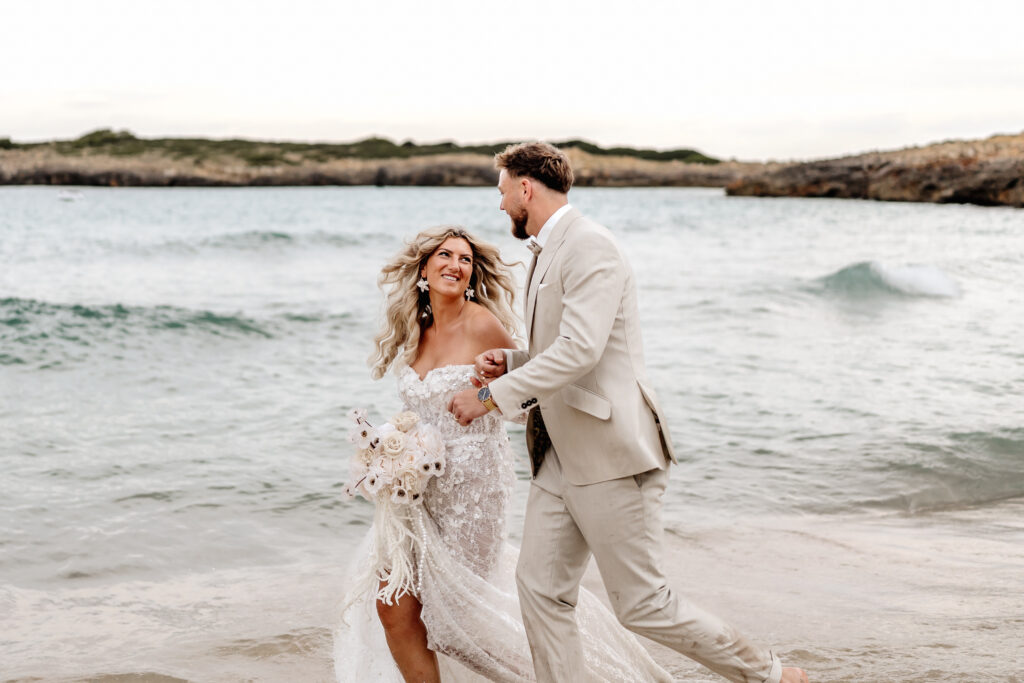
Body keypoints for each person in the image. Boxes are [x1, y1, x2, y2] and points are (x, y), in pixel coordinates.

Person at [449, 142, 809, 683]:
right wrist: (512, 361)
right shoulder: (548, 252)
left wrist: (485, 400)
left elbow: (581, 350)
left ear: (526, 188)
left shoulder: (591, 246)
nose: (500, 206)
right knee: (540, 589)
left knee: (643, 604)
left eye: (502, 192)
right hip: (558, 460)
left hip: (611, 455)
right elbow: (563, 349)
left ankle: (773, 675)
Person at [334, 226, 673, 682]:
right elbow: (420, 408)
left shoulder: (482, 323)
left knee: (457, 623)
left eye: (466, 260)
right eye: (446, 255)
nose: (456, 265)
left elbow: (534, 393)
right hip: (417, 495)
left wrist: (491, 395)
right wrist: (394, 446)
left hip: (473, 490)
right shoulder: (416, 329)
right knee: (392, 606)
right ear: (424, 267)